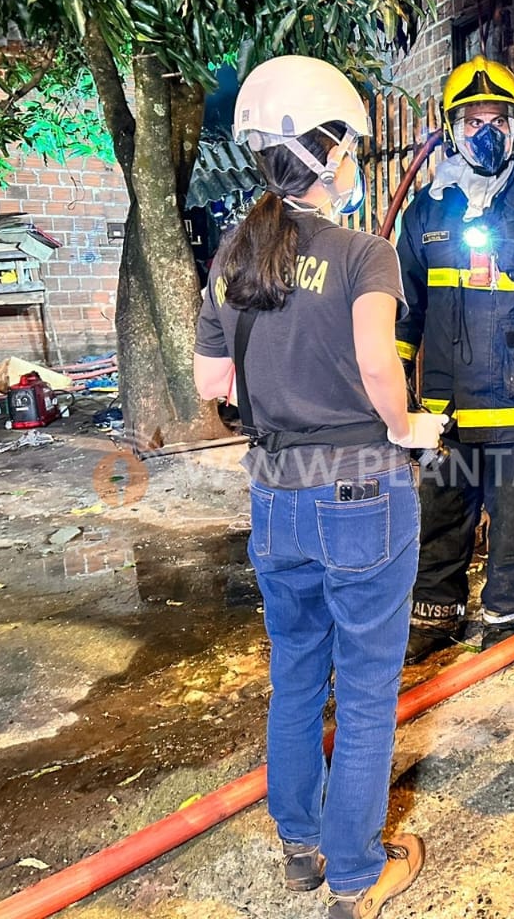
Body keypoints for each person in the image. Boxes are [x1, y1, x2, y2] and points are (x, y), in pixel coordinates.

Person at [192, 55, 447, 919]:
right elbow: (380, 362)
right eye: (353, 152)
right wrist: (409, 427)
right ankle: (352, 878)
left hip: (274, 495)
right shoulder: (364, 255)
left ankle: (300, 847)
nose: (355, 167)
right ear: (328, 150)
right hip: (361, 495)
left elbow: (211, 383)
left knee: (297, 675)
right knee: (368, 689)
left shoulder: (236, 254)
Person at [394, 56, 514, 661]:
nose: (487, 133)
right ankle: (436, 621)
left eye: (499, 120)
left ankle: (504, 623)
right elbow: (406, 312)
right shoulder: (427, 211)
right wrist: (397, 393)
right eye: (473, 120)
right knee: (441, 526)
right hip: (444, 420)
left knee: (513, 531)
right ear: (451, 128)